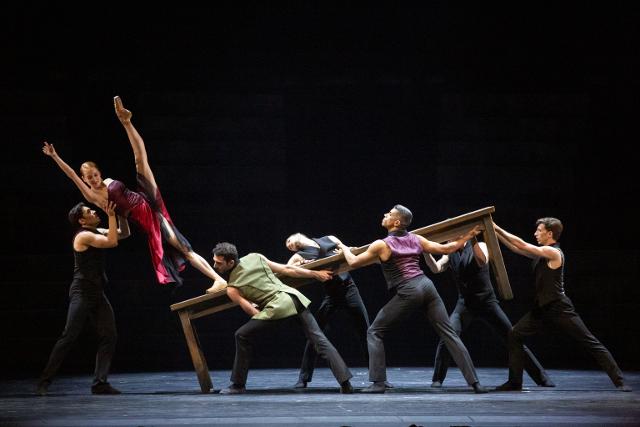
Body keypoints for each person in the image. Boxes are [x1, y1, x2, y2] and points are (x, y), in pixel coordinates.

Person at [42, 96, 226, 288]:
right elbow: (72, 175)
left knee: (140, 160)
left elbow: (138, 159)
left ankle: (126, 123)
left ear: (99, 172)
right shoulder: (92, 196)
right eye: (89, 178)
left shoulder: (108, 181)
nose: (94, 179)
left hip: (146, 199)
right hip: (147, 218)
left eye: (95, 175)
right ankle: (218, 279)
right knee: (184, 249)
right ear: (85, 179)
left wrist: (126, 123)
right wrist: (55, 156)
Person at [337, 205, 488, 394]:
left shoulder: (381, 244)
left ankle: (378, 383)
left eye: (389, 214)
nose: (385, 214)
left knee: (374, 331)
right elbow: (446, 248)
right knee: (450, 334)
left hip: (409, 290)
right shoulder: (416, 238)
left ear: (396, 222)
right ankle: (475, 383)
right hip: (427, 287)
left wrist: (343, 248)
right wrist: (470, 234)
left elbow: (352, 263)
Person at [493, 218, 631, 392]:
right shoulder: (541, 253)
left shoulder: (554, 252)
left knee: (590, 341)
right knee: (514, 334)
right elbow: (515, 248)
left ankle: (620, 381)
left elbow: (521, 244)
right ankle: (515, 382)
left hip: (559, 307)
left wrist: (495, 226)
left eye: (539, 230)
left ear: (550, 234)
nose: (535, 233)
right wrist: (493, 232)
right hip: (542, 308)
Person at [209, 242, 353, 394]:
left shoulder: (232, 288)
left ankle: (238, 385)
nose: (214, 265)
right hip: (294, 298)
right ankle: (345, 383)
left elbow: (252, 311)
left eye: (218, 263)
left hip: (278, 306)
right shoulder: (255, 257)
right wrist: (314, 274)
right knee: (319, 339)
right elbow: (287, 269)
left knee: (241, 334)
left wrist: (265, 317)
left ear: (230, 262)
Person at [424, 237, 554, 388]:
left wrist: (471, 239)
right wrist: (426, 252)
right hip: (465, 304)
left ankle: (541, 377)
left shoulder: (480, 245)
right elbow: (436, 268)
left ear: (460, 235)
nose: (446, 240)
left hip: (487, 302)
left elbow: (482, 260)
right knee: (448, 336)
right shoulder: (450, 252)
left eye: (450, 236)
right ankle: (438, 379)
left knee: (511, 338)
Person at [36, 201, 129, 395]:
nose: (94, 211)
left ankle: (100, 383)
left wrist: (121, 214)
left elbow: (123, 234)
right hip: (82, 292)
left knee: (109, 335)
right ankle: (44, 382)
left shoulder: (96, 231)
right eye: (89, 211)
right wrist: (111, 215)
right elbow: (112, 242)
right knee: (68, 336)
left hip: (97, 292)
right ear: (82, 220)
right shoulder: (84, 236)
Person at [285, 233, 370, 389]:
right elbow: (287, 269)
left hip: (349, 289)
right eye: (288, 247)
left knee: (366, 331)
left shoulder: (329, 239)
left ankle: (378, 377)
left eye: (289, 241)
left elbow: (346, 249)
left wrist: (348, 250)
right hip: (331, 294)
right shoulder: (299, 256)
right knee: (315, 335)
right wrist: (303, 267)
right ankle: (303, 378)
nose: (289, 245)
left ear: (299, 235)